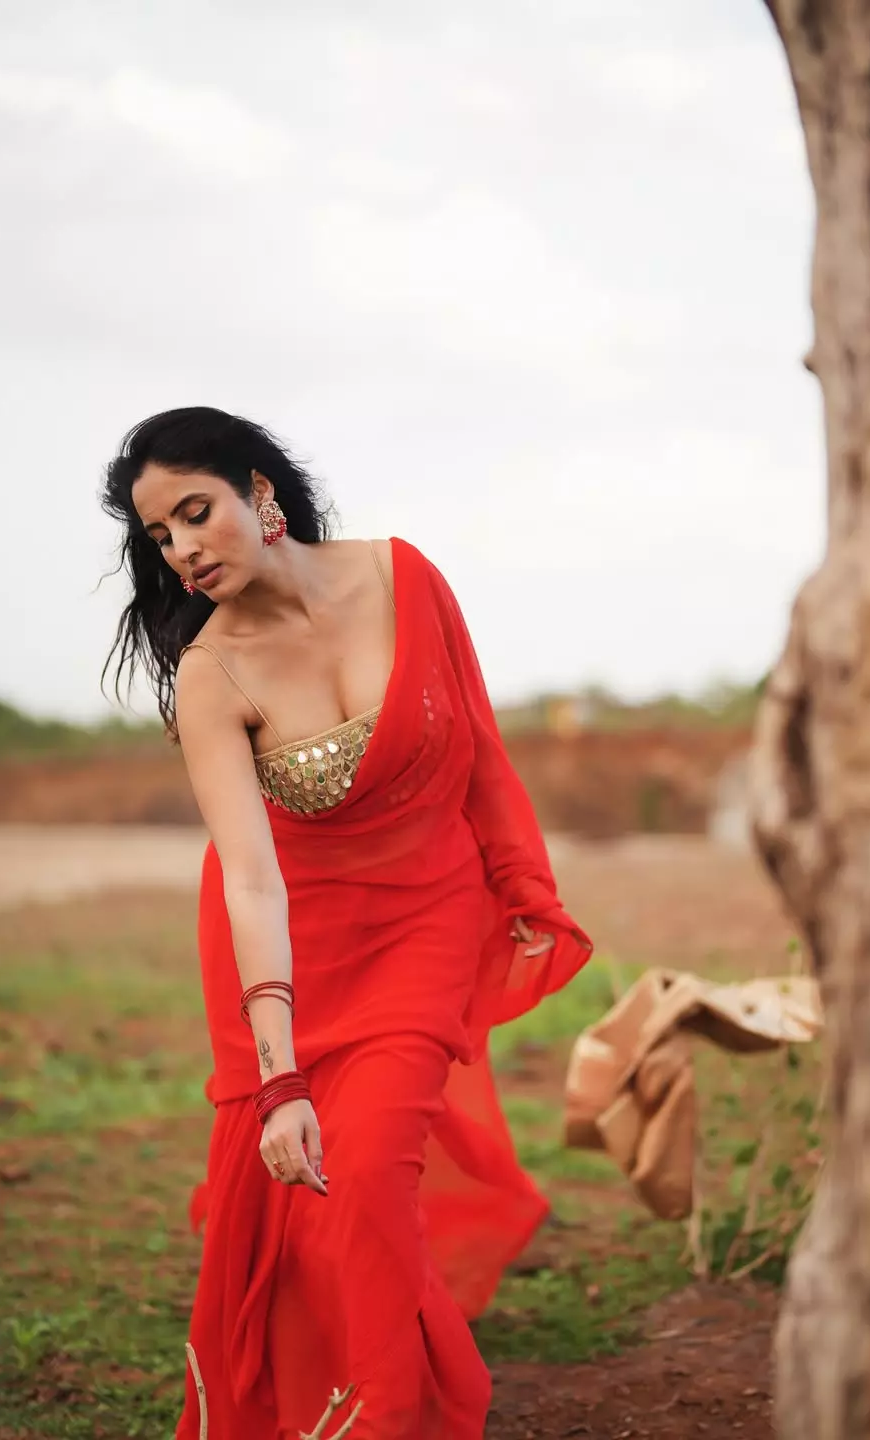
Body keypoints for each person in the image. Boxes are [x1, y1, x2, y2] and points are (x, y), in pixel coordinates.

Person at [102, 406, 592, 1439]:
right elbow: (250, 881)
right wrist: (279, 1078)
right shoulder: (212, 673)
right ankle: (353, 1391)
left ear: (259, 491)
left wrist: (523, 889)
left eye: (196, 512)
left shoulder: (402, 578)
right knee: (310, 1190)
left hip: (428, 922)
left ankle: (387, 1416)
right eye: (160, 535)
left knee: (364, 1172)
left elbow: (479, 748)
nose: (183, 548)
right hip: (289, 952)